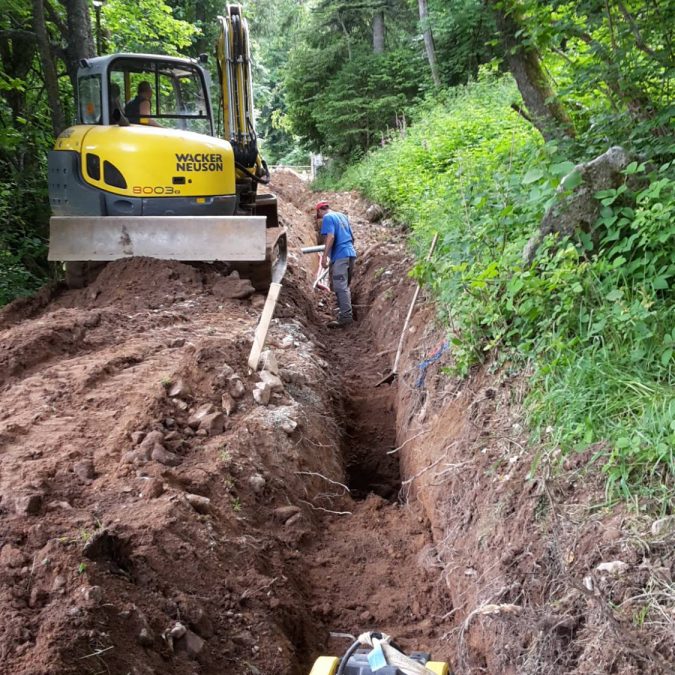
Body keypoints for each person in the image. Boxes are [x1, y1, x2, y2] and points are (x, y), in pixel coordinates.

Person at [316, 201, 356, 328]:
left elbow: (331, 237)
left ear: (320, 211)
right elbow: (352, 237)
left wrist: (324, 257)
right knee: (344, 285)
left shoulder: (327, 217)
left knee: (340, 286)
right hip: (350, 254)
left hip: (340, 256)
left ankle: (346, 317)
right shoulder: (342, 216)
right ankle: (345, 311)